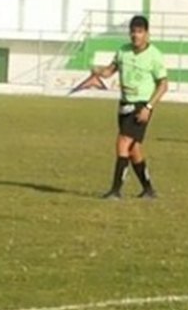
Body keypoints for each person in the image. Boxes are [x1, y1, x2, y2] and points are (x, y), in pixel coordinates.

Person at [71, 15, 167, 199]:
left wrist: (148, 107)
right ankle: (148, 190)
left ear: (147, 34)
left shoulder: (155, 55)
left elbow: (163, 85)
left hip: (141, 105)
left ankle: (116, 191)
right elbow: (110, 71)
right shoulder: (123, 51)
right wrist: (98, 71)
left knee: (122, 142)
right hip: (124, 104)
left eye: (140, 32)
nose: (135, 35)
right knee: (134, 149)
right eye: (133, 31)